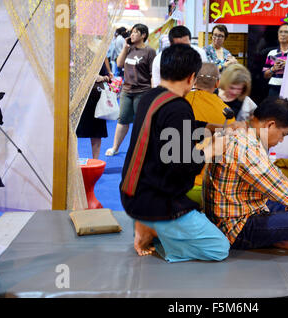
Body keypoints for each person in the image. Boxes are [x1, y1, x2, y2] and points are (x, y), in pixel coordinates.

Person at [119, 44, 230, 262]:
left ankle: (148, 226)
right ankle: (154, 229)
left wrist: (209, 127)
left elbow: (171, 131)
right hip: (153, 201)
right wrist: (212, 150)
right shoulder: (179, 107)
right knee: (219, 248)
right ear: (192, 77)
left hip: (131, 192)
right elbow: (182, 165)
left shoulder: (151, 97)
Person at [203, 96, 288, 252]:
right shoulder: (247, 147)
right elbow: (284, 189)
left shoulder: (244, 130)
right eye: (283, 135)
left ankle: (278, 237)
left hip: (236, 209)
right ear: (271, 125)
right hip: (233, 229)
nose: (281, 141)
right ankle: (277, 241)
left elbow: (277, 185)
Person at [185, 62, 235, 205]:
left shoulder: (178, 103)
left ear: (193, 79)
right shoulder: (226, 112)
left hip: (174, 186)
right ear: (217, 83)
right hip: (211, 189)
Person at [105, 24, 156, 157]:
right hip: (126, 91)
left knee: (141, 122)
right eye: (131, 32)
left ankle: (141, 150)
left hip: (143, 91)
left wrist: (153, 92)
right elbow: (120, 63)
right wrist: (125, 48)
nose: (131, 35)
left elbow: (152, 74)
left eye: (135, 32)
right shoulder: (129, 48)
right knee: (122, 120)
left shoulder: (149, 51)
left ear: (143, 35)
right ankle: (115, 147)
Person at [76, 63, 111, 159]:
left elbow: (108, 77)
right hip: (77, 99)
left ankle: (95, 161)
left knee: (96, 132)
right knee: (73, 132)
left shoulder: (98, 57)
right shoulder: (73, 57)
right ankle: (73, 162)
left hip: (96, 99)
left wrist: (102, 78)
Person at [262, 23, 288, 97]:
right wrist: (273, 69)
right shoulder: (272, 53)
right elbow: (265, 75)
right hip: (274, 88)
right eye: (280, 32)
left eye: (286, 32)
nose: (283, 34)